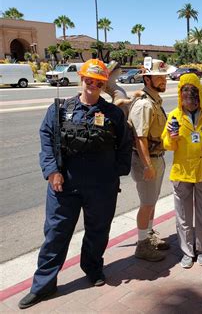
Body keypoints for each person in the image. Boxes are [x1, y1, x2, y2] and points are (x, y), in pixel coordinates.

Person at [19, 59, 132, 309]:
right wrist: (52, 172)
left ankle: (92, 268)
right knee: (55, 235)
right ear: (81, 79)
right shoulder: (60, 109)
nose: (92, 85)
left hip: (101, 188)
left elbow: (126, 145)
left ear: (104, 84)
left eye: (98, 82)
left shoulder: (112, 113)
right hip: (64, 186)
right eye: (88, 80)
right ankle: (44, 286)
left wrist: (116, 173)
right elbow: (46, 139)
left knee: (97, 232)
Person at [162, 73, 202, 268]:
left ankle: (201, 248)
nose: (189, 99)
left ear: (199, 95)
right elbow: (167, 145)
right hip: (182, 174)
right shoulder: (173, 116)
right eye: (185, 94)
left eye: (193, 95)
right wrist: (172, 137)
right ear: (180, 95)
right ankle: (187, 252)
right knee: (184, 217)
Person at [128, 59, 175, 262]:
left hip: (157, 158)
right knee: (147, 203)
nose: (164, 81)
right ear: (147, 79)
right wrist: (147, 165)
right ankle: (141, 245)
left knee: (152, 201)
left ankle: (148, 235)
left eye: (165, 77)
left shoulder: (154, 100)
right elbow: (140, 138)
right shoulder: (144, 105)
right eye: (159, 77)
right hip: (146, 161)